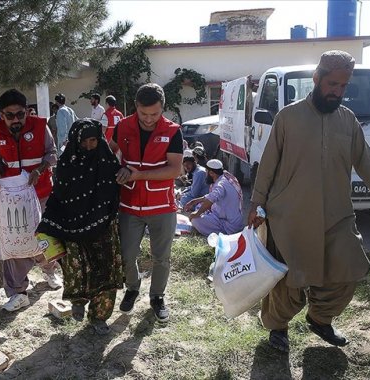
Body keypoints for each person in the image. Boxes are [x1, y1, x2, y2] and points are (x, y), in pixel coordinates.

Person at [247, 50, 370, 353]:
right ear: (316, 78)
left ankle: (320, 319)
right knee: (287, 283)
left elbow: (368, 164)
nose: (337, 92)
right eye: (332, 84)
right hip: (289, 217)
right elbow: (267, 165)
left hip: (337, 215)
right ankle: (278, 328)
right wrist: (256, 203)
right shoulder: (288, 117)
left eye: (343, 87)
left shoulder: (348, 120)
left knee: (350, 268)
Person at [38, 118, 123, 334]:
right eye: (83, 141)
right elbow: (58, 197)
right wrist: (47, 223)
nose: (88, 146)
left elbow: (115, 195)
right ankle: (78, 299)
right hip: (72, 227)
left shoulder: (107, 162)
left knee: (106, 271)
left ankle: (99, 317)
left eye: (93, 140)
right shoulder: (67, 165)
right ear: (75, 142)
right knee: (76, 266)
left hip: (103, 227)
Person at [111, 83, 184, 323]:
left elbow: (175, 169)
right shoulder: (122, 126)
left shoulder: (173, 131)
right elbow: (110, 153)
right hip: (130, 205)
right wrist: (118, 168)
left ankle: (157, 297)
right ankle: (132, 288)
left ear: (163, 108)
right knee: (127, 253)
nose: (150, 119)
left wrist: (139, 175)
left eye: (155, 113)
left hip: (161, 207)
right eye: (144, 114)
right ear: (136, 107)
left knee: (161, 257)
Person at [0, 89, 62, 312]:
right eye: (10, 116)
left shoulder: (39, 126)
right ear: (1, 115)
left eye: (20, 114)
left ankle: (50, 271)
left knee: (45, 236)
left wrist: (39, 169)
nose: (16, 120)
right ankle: (18, 291)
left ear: (27, 112)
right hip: (12, 197)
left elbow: (53, 154)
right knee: (12, 240)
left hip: (42, 192)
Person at [185, 159, 243, 236]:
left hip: (229, 225)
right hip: (229, 218)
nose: (206, 174)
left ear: (211, 173)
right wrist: (194, 201)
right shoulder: (224, 177)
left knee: (195, 220)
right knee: (200, 205)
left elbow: (211, 199)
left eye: (206, 172)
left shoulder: (221, 184)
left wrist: (197, 214)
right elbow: (210, 196)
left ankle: (220, 234)